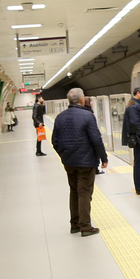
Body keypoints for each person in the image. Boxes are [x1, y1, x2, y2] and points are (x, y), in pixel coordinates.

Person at [52, 88, 108, 236]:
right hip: (86, 161)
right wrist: (103, 158)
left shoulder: (60, 117)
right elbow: (96, 139)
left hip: (69, 162)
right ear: (82, 99)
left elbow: (54, 141)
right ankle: (85, 226)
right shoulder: (87, 116)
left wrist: (64, 155)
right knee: (84, 192)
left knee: (74, 191)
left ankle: (75, 224)